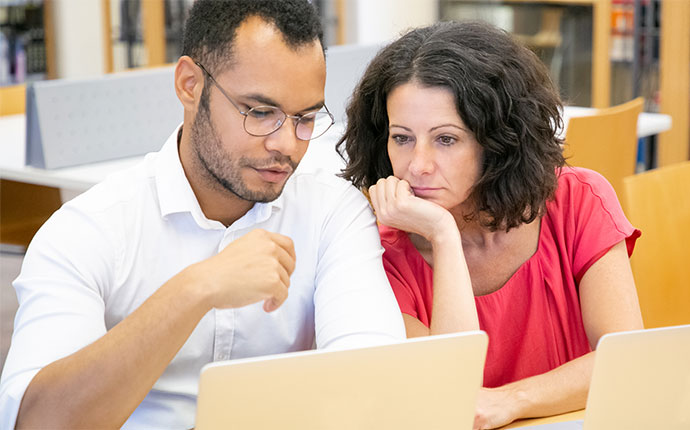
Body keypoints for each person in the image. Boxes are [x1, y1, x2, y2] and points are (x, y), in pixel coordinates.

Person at [0, 1, 406, 428]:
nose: (287, 144)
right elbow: (37, 421)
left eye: (304, 118)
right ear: (190, 85)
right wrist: (196, 289)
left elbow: (372, 387)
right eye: (261, 112)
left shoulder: (332, 213)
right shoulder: (89, 230)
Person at [339, 20, 644, 429]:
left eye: (446, 139)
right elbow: (445, 392)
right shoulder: (377, 251)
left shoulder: (577, 200)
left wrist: (512, 400)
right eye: (402, 137)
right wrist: (443, 236)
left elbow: (625, 358)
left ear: (498, 140)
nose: (418, 165)